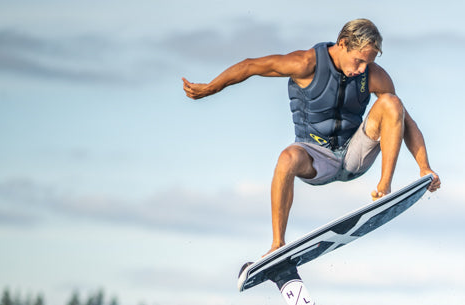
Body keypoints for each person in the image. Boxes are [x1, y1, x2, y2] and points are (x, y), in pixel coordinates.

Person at [182, 18, 440, 259]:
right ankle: (277, 244)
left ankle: (384, 188)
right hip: (316, 157)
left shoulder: (373, 75)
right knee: (287, 158)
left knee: (392, 103)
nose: (362, 69)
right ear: (342, 44)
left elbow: (404, 122)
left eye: (367, 63)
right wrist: (210, 88)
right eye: (359, 61)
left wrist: (424, 166)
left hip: (354, 154)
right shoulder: (306, 64)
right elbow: (251, 65)